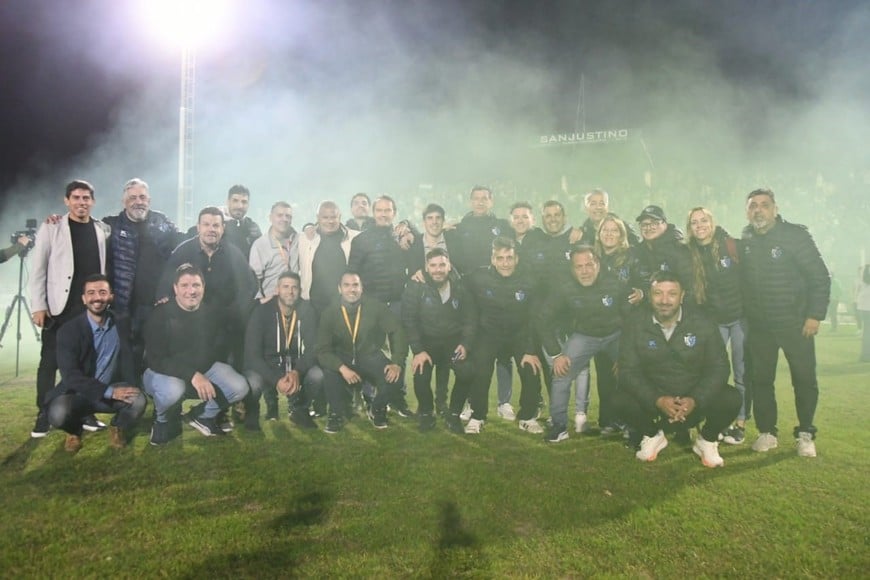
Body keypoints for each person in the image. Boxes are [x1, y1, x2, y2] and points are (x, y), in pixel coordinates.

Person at [616, 271, 742, 467]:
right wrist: (657, 400)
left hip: (692, 403)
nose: (664, 300)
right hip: (655, 403)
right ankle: (652, 435)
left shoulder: (703, 322)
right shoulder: (635, 323)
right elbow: (627, 371)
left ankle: (706, 440)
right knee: (617, 399)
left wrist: (695, 399)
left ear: (682, 296)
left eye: (672, 294)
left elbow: (719, 368)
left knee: (731, 397)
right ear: (649, 295)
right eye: (658, 293)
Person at [741, 188, 830, 458]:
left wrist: (814, 315)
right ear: (748, 211)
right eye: (753, 206)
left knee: (803, 379)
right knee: (761, 381)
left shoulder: (795, 235)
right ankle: (767, 432)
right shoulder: (746, 239)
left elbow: (820, 277)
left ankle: (805, 434)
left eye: (764, 205)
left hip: (795, 324)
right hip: (760, 328)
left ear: (775, 209)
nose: (758, 210)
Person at [29, 180, 110, 438]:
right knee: (50, 362)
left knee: (86, 365)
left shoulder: (101, 229)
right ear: (67, 201)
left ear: (93, 201)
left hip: (89, 310)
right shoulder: (52, 227)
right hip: (59, 309)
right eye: (76, 197)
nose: (81, 202)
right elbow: (38, 269)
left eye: (86, 198)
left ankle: (83, 411)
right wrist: (39, 305)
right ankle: (43, 412)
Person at [143, 264, 250, 444]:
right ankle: (161, 420)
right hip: (162, 373)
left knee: (240, 386)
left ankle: (201, 416)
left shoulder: (211, 313)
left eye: (196, 285)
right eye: (184, 286)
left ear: (203, 287)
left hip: (199, 370)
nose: (191, 291)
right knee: (173, 390)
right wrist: (191, 375)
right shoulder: (160, 314)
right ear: (175, 288)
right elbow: (156, 360)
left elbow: (217, 348)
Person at [537, 246, 635, 443]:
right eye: (579, 266)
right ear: (572, 269)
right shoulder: (565, 287)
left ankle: (633, 425)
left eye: (589, 265)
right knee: (561, 373)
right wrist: (557, 354)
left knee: (633, 371)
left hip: (616, 335)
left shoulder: (615, 282)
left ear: (598, 264)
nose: (584, 271)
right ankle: (559, 426)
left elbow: (633, 318)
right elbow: (543, 319)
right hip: (585, 336)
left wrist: (627, 355)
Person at [45, 275, 146, 452]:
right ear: (84, 299)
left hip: (113, 387)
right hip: (78, 393)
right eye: (91, 293)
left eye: (102, 292)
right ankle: (74, 431)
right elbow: (71, 377)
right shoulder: (68, 331)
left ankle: (117, 427)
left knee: (138, 400)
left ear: (111, 297)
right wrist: (109, 392)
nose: (97, 297)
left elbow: (137, 349)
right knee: (58, 413)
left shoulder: (123, 323)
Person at [158, 206, 258, 373]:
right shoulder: (183, 251)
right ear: (198, 227)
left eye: (216, 225)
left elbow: (248, 287)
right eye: (206, 224)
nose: (211, 229)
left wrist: (234, 313)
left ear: (223, 228)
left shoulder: (234, 254)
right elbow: (164, 289)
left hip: (225, 324)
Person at [463, 237, 544, 434]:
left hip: (519, 334)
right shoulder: (478, 277)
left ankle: (527, 416)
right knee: (480, 370)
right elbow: (452, 278)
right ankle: (478, 415)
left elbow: (535, 317)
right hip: (489, 334)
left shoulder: (530, 279)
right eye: (500, 258)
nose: (505, 263)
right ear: (493, 259)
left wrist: (531, 349)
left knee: (531, 367)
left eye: (509, 258)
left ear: (517, 259)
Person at [102, 178, 181, 380]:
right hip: (123, 305)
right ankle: (132, 401)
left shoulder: (162, 223)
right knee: (128, 355)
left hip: (158, 304)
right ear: (124, 201)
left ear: (149, 200)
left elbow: (183, 245)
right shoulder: (110, 225)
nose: (139, 201)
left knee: (159, 353)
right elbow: (85, 228)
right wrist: (60, 220)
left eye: (143, 197)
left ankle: (160, 403)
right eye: (133, 197)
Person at [347, 195, 415, 416]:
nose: (384, 214)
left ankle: (397, 398)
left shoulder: (402, 237)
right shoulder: (361, 240)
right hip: (371, 305)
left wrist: (410, 226)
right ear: (373, 213)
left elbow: (419, 245)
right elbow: (352, 273)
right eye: (380, 210)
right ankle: (371, 396)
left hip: (397, 303)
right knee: (370, 351)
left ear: (394, 213)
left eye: (388, 210)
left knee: (399, 352)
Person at [685, 207, 748, 444]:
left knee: (742, 373)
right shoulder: (689, 252)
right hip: (713, 321)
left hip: (740, 318)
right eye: (694, 222)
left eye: (703, 220)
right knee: (711, 373)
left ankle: (740, 423)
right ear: (689, 227)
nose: (699, 225)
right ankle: (715, 420)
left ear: (712, 222)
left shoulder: (730, 245)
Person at [315, 271, 408, 433]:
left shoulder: (375, 306)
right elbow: (322, 350)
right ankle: (336, 414)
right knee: (329, 372)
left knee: (395, 376)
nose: (352, 289)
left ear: (362, 288)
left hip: (369, 356)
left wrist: (397, 362)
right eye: (347, 285)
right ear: (339, 289)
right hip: (342, 359)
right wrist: (342, 368)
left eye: (355, 285)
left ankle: (377, 409)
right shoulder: (329, 312)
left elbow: (397, 330)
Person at [401, 248, 476, 432]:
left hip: (452, 342)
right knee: (420, 375)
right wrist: (418, 351)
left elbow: (470, 318)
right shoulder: (415, 286)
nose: (438, 269)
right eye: (433, 265)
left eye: (442, 264)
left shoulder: (460, 285)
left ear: (449, 266)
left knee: (466, 372)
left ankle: (453, 415)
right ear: (426, 267)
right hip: (427, 343)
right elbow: (409, 320)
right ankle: (426, 414)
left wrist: (465, 344)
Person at [245, 271, 323, 427]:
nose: (290, 291)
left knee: (317, 375)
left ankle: (300, 408)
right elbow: (252, 355)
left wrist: (297, 372)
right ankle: (252, 411)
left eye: (295, 287)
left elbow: (313, 348)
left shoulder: (307, 311)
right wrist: (276, 380)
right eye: (286, 286)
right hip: (269, 365)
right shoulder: (262, 312)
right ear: (277, 290)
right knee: (252, 382)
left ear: (300, 291)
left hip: (295, 364)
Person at [299, 200, 360, 319]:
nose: (330, 221)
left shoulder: (354, 237)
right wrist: (307, 226)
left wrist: (405, 227)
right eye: (325, 217)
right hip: (312, 306)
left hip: (344, 305)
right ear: (317, 218)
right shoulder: (304, 238)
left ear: (340, 217)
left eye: (333, 217)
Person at [449, 185, 512, 276]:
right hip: (468, 280)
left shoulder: (503, 226)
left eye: (484, 199)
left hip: (496, 278)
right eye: (476, 199)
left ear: (491, 202)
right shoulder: (459, 228)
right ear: (471, 203)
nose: (480, 203)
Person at [633, 205, 693, 295]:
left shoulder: (679, 249)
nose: (649, 228)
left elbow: (689, 285)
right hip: (645, 304)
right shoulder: (637, 251)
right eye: (644, 224)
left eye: (654, 223)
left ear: (665, 224)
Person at [249, 201, 300, 300]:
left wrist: (308, 226)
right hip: (271, 302)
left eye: (288, 216)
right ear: (270, 218)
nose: (284, 219)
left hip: (294, 301)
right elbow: (253, 280)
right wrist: (261, 302)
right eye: (280, 215)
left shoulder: (298, 240)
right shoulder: (260, 245)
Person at [856, 265, 870, 362]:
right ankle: (865, 355)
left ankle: (865, 355)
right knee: (867, 332)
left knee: (866, 332)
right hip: (866, 308)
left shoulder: (862, 282)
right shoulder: (863, 282)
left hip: (863, 308)